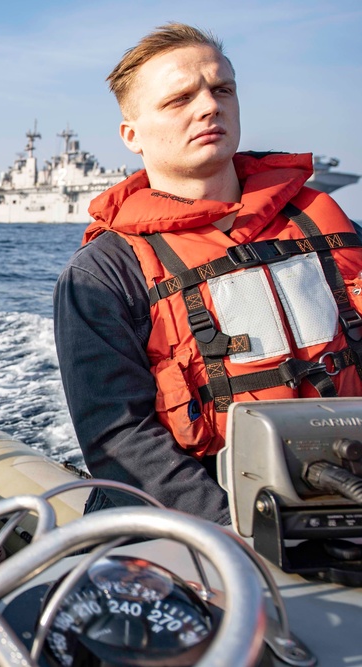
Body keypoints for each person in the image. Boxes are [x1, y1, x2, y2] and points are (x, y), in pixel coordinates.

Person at [54, 23, 362, 524]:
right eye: (178, 100)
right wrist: (234, 532)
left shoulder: (339, 231)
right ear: (131, 135)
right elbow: (119, 439)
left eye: (222, 89)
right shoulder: (103, 273)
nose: (209, 106)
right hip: (210, 522)